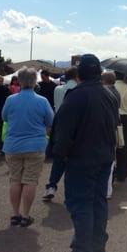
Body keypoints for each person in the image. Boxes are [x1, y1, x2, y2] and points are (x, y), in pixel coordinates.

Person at [52, 54, 118, 252]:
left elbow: (63, 134)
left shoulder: (76, 96)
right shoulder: (109, 95)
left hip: (81, 161)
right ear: (99, 73)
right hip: (104, 158)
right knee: (98, 203)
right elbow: (114, 125)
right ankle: (97, 244)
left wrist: (59, 156)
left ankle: (83, 246)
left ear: (79, 74)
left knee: (82, 205)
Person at [2, 67, 54, 227]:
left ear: (19, 80)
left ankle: (15, 214)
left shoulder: (11, 99)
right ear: (35, 81)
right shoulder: (42, 101)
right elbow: (50, 122)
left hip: (13, 145)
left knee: (15, 180)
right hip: (35, 145)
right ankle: (26, 215)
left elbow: (4, 117)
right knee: (30, 180)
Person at [43, 67, 79, 201]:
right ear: (76, 76)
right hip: (74, 127)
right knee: (74, 159)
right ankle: (71, 192)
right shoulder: (79, 91)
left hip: (58, 126)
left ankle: (51, 186)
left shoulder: (57, 89)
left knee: (59, 159)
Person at [114, 72, 127, 182]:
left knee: (111, 145)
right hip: (126, 118)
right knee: (124, 146)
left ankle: (110, 172)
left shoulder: (112, 87)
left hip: (113, 116)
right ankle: (123, 172)